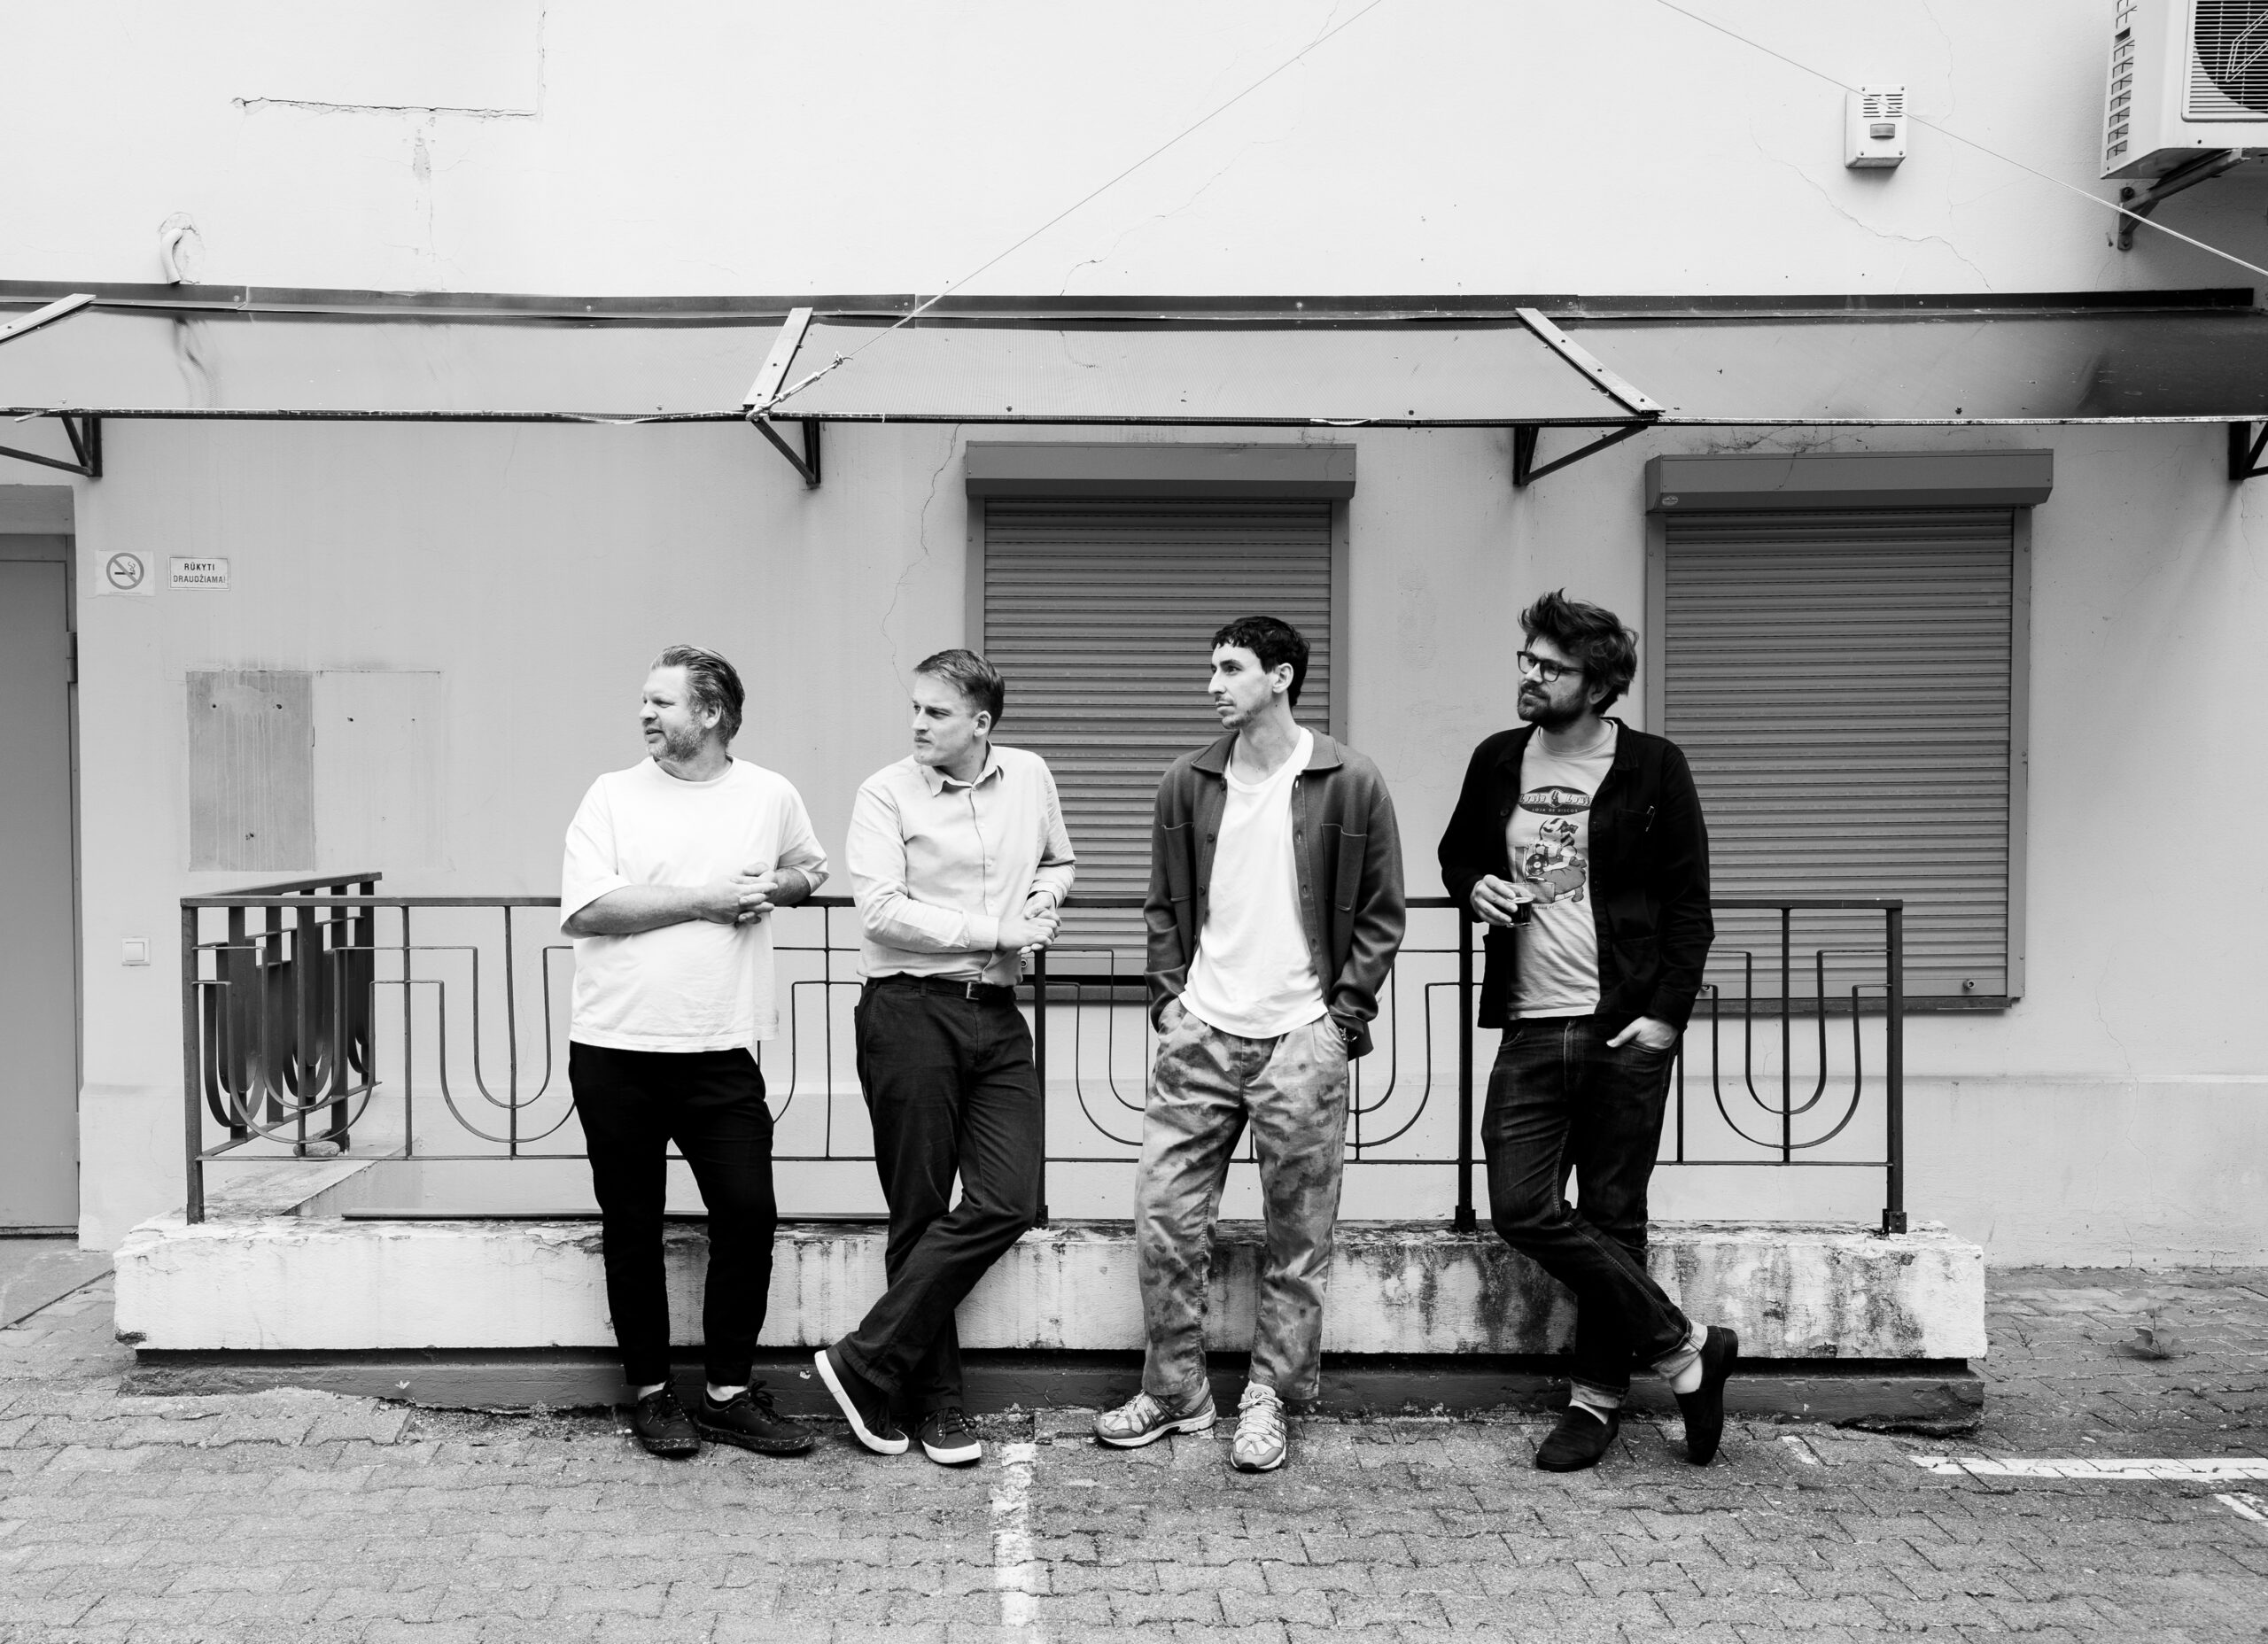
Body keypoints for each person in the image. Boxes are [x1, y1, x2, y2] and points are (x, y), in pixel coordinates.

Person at [1096, 616, 1405, 1474]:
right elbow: (1162, 905)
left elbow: (1382, 912)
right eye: (1211, 668)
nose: (1212, 684)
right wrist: (1171, 1005)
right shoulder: (1186, 781)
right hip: (1202, 1031)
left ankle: (1269, 1397)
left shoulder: (1350, 780)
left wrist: (1340, 1021)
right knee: (1164, 1219)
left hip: (1301, 1038)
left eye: (1229, 669)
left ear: (1280, 676)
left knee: (1297, 1238)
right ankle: (1175, 1390)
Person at [1437, 591, 1735, 1473]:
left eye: (1548, 665)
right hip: (1530, 1022)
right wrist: (1471, 888)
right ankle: (1685, 1350)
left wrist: (1665, 1017)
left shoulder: (1652, 766)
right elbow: (1460, 851)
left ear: (1597, 682)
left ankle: (1595, 1402)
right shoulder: (1498, 758)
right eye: (1525, 658)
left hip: (1622, 1026)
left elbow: (1689, 905)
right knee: (1522, 1206)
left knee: (1614, 1214)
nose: (1528, 675)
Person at [559, 644, 827, 1459]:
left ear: (710, 714)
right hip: (615, 1047)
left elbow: (809, 869)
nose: (645, 714)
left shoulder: (769, 793)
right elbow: (589, 910)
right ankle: (651, 1394)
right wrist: (712, 899)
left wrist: (776, 889)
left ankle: (727, 1392)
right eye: (644, 701)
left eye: (662, 702)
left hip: (721, 1048)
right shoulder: (610, 797)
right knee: (631, 1226)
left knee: (748, 1217)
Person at [815, 649, 1074, 1467]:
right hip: (909, 1012)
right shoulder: (884, 792)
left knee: (1009, 1197)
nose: (917, 724)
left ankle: (863, 1362)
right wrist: (1000, 931)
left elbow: (1059, 860)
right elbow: (883, 912)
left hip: (995, 1018)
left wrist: (1042, 898)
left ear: (981, 724)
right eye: (915, 709)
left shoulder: (1029, 777)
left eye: (935, 712)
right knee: (919, 1210)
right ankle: (939, 1409)